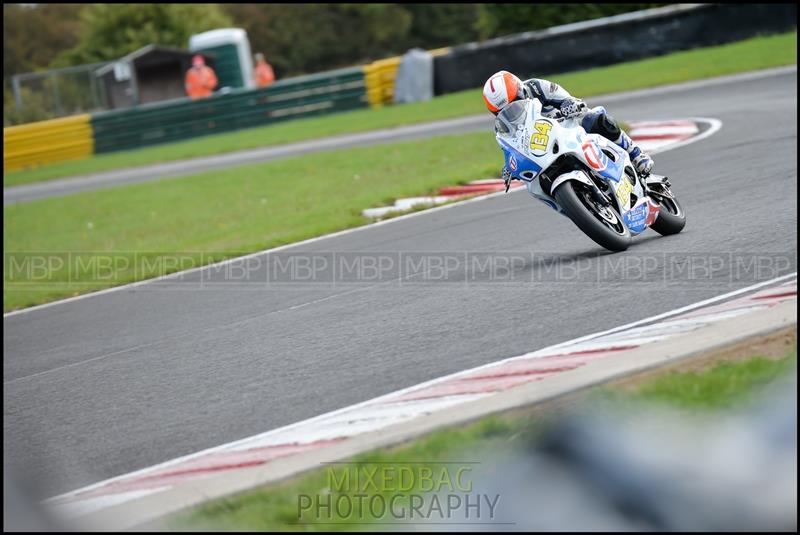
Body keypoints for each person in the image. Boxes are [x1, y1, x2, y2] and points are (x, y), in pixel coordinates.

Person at [483, 70, 654, 177]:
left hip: (569, 125)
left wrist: (570, 105)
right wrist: (510, 166)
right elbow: (511, 145)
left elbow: (568, 99)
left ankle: (636, 154)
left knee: (596, 119)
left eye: (514, 102)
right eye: (501, 111)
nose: (509, 110)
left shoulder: (537, 87)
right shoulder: (502, 125)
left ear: (521, 90)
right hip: (544, 147)